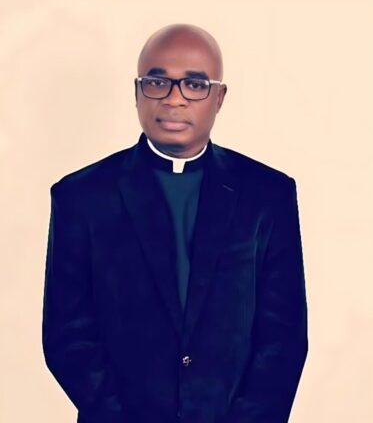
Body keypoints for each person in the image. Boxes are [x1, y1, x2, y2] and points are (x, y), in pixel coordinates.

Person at [43, 24, 307, 423]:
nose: (174, 99)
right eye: (157, 82)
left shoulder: (267, 195)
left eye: (195, 85)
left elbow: (283, 337)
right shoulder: (82, 197)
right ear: (136, 93)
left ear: (219, 98)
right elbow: (67, 335)